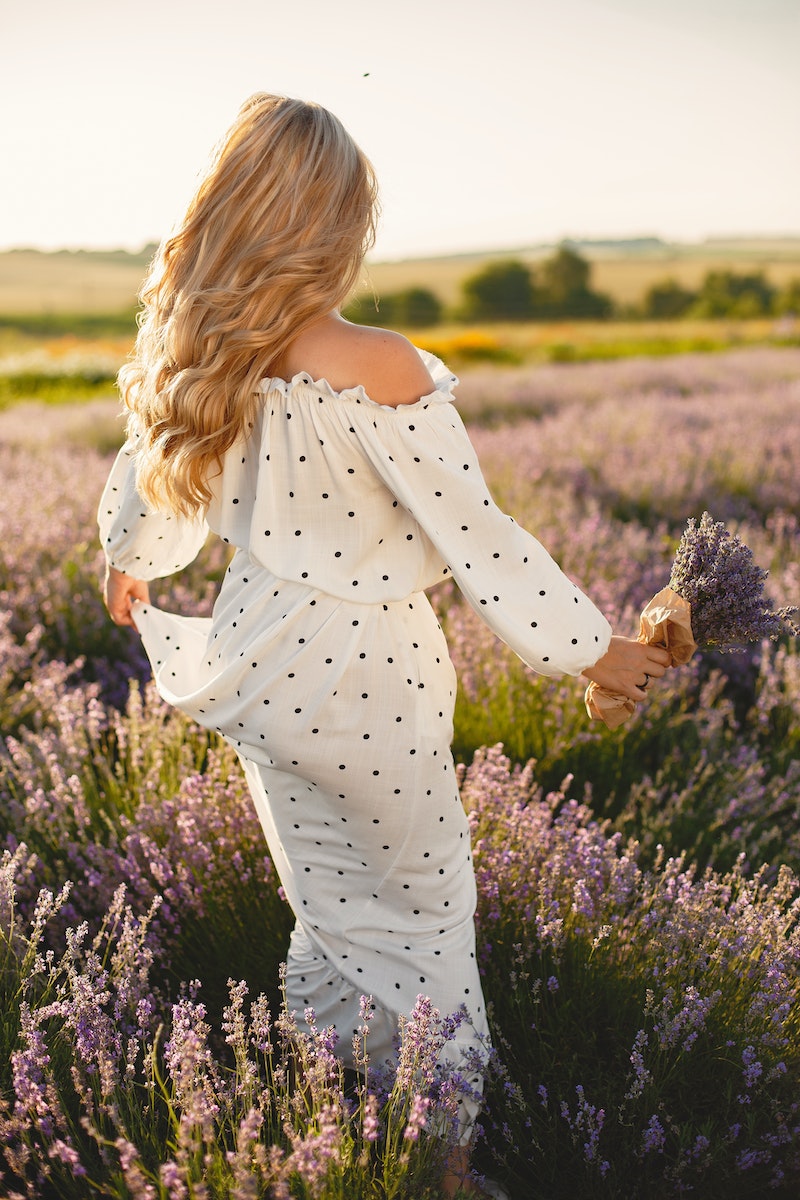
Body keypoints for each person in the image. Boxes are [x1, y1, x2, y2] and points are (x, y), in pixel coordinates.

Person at [99, 93, 671, 1198]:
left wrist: (131, 563)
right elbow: (480, 538)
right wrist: (588, 649)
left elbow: (149, 499)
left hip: (259, 662)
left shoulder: (203, 354)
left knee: (329, 913)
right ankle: (436, 1169)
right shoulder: (381, 365)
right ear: (334, 223)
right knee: (425, 923)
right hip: (368, 672)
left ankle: (338, 1128)